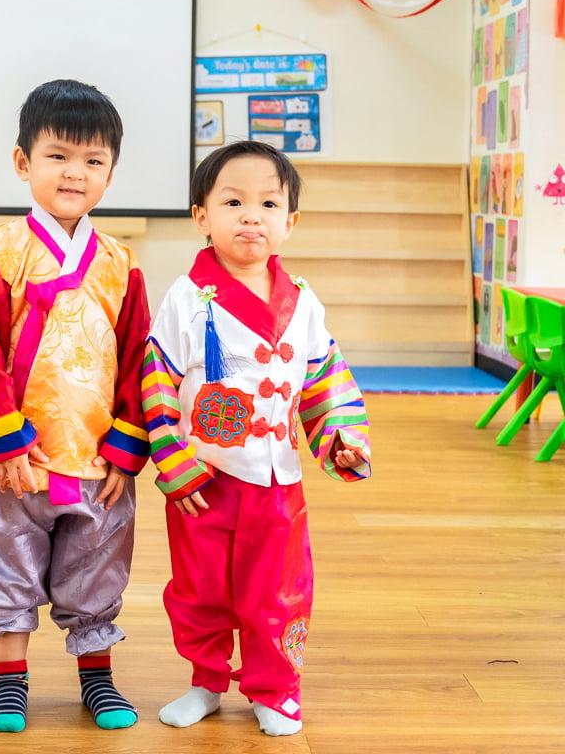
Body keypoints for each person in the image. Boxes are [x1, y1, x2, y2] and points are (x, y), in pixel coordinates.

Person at [143, 141, 371, 736]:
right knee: (200, 586)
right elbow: (156, 379)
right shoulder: (185, 298)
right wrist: (171, 459)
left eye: (269, 203)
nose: (252, 215)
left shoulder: (305, 303)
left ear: (289, 222)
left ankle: (275, 688)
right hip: (204, 481)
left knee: (279, 589)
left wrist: (341, 439)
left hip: (277, 483)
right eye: (234, 201)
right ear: (202, 216)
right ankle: (206, 681)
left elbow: (324, 379)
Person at [0, 79, 150, 733]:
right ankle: (10, 684)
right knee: (8, 568)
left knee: (98, 570)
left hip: (97, 461)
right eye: (59, 155)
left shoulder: (121, 263)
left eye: (94, 161)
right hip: (20, 461)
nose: (75, 173)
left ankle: (99, 680)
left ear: (110, 174)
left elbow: (141, 360)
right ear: (22, 162)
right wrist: (4, 439)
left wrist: (128, 444)